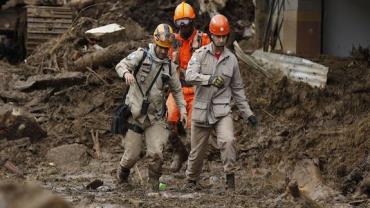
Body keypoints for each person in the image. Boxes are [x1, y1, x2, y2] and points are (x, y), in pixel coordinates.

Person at [184, 14, 258, 191]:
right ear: (211, 35)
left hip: (222, 110)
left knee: (228, 140)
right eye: (218, 36)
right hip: (201, 110)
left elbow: (238, 89)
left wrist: (248, 113)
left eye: (224, 36)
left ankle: (230, 180)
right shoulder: (200, 55)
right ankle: (191, 180)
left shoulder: (231, 59)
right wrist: (209, 79)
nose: (221, 39)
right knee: (197, 152)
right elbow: (189, 76)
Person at [115, 23, 187, 191]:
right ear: (155, 42)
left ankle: (153, 186)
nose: (163, 51)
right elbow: (121, 65)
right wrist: (126, 73)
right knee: (132, 155)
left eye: (166, 48)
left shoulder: (169, 66)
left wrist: (183, 109)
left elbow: (177, 90)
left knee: (156, 153)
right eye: (161, 47)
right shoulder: (141, 55)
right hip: (135, 114)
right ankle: (122, 176)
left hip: (156, 117)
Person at [166, 1, 211, 172]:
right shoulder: (172, 42)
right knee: (169, 124)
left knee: (193, 131)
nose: (182, 27)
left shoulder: (204, 40)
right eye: (178, 23)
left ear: (192, 22)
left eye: (185, 23)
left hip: (197, 91)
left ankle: (194, 164)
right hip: (177, 90)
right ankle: (180, 153)